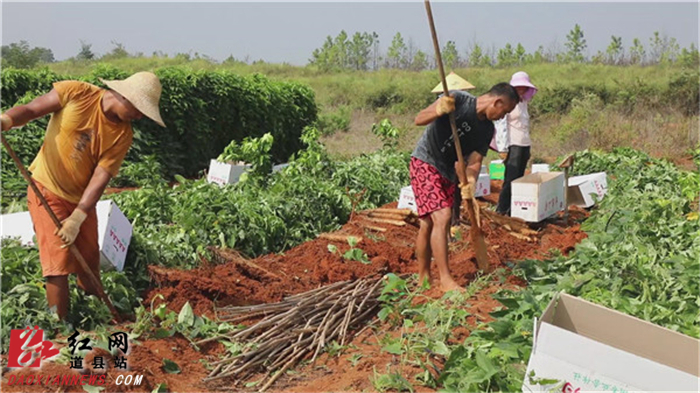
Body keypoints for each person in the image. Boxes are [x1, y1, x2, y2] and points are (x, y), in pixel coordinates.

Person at [0, 71, 165, 320]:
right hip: (47, 190)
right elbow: (33, 109)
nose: (140, 115)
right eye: (138, 108)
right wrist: (7, 120)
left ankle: (95, 318)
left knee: (89, 263)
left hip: (81, 202)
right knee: (58, 263)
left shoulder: (122, 134)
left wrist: (78, 217)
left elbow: (101, 176)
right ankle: (60, 329)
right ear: (123, 96)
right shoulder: (77, 93)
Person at [411, 83, 519, 292]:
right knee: (442, 217)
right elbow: (419, 119)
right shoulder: (459, 100)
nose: (502, 117)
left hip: (448, 172)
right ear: (497, 102)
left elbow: (475, 161)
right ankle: (445, 280)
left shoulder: (487, 130)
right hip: (425, 161)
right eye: (504, 111)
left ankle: (423, 276)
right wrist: (439, 109)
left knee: (428, 223)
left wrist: (469, 182)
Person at [496, 71, 538, 216]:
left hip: (524, 144)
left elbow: (524, 125)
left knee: (519, 179)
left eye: (523, 87)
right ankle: (501, 210)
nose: (521, 90)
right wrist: (502, 148)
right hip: (512, 145)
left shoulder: (524, 103)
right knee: (510, 179)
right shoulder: (508, 103)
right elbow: (501, 124)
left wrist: (528, 146)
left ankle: (513, 210)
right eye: (518, 87)